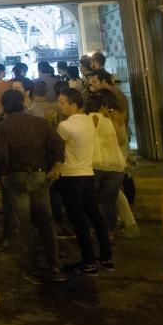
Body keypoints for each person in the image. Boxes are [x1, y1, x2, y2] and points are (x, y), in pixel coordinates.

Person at [0, 89, 65, 284]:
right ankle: (53, 265)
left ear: (4, 105)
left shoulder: (3, 127)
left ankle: (32, 267)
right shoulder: (40, 123)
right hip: (40, 174)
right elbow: (58, 144)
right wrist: (56, 165)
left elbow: (2, 155)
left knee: (24, 224)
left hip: (17, 177)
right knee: (45, 221)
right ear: (23, 102)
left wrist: (3, 174)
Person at [56, 87, 112, 275]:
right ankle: (106, 257)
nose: (59, 105)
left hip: (71, 175)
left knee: (78, 220)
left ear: (73, 105)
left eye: (62, 102)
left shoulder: (65, 126)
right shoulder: (90, 121)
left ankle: (88, 261)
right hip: (88, 173)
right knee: (95, 216)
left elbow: (57, 149)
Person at [87, 93, 125, 234]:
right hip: (114, 166)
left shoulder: (84, 121)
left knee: (92, 202)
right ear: (103, 106)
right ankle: (109, 232)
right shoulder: (110, 121)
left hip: (93, 165)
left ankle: (94, 230)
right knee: (109, 203)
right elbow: (122, 141)